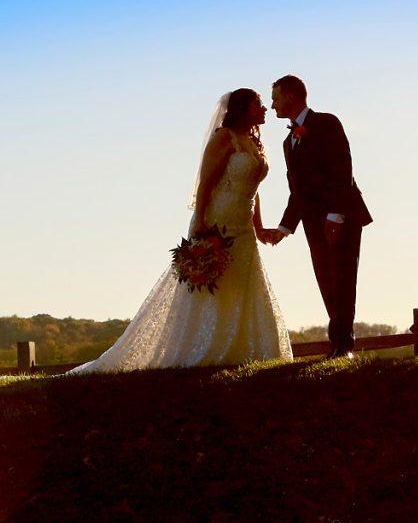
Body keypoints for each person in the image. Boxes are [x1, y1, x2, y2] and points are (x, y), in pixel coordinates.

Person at [64, 88, 293, 372]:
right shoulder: (224, 138)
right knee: (212, 283)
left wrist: (258, 227)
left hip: (243, 225)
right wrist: (199, 221)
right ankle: (200, 346)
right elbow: (206, 183)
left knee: (242, 283)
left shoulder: (256, 143)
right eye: (259, 104)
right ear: (243, 108)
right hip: (218, 220)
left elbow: (253, 189)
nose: (265, 108)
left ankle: (243, 347)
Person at [260, 75, 372, 359]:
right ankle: (337, 343)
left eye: (275, 98)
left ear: (291, 96)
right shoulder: (289, 142)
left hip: (342, 218)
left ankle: (345, 346)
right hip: (312, 224)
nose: (272, 104)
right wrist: (284, 228)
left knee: (343, 278)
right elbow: (297, 191)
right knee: (326, 280)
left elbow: (341, 169)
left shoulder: (327, 123)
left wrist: (335, 216)